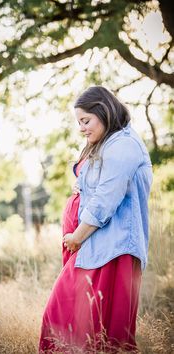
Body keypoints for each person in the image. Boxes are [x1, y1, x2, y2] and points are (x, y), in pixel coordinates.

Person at [39, 86, 153, 353]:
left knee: (99, 335)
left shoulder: (124, 145)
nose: (81, 128)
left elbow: (107, 197)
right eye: (79, 122)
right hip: (96, 248)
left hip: (112, 251)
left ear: (104, 111)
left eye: (85, 120)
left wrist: (77, 236)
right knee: (71, 327)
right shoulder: (107, 143)